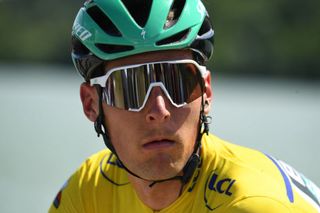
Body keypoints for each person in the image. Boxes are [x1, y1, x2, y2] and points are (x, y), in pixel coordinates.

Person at [49, 0, 320, 212]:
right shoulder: (91, 190)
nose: (159, 110)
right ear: (91, 104)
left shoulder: (253, 204)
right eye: (129, 88)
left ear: (206, 92)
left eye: (178, 82)